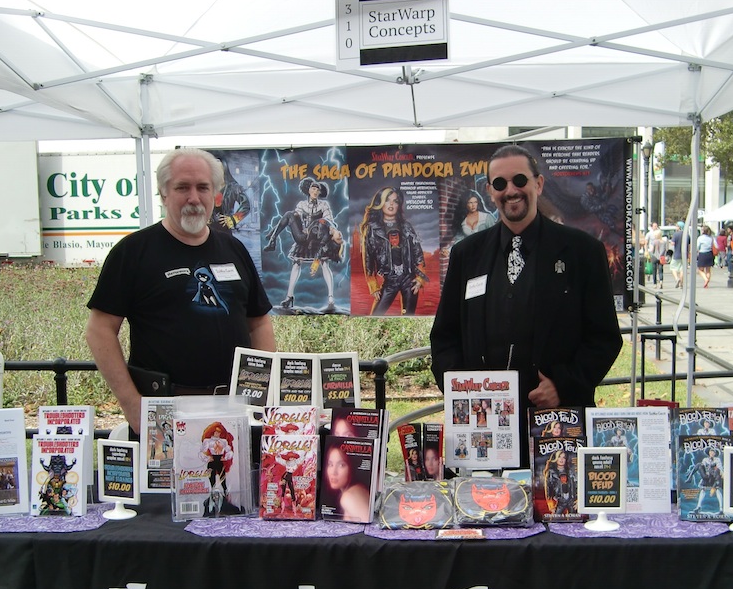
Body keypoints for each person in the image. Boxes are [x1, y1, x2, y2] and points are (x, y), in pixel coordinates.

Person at [430, 144, 623, 466]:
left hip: (555, 422)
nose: (511, 191)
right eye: (500, 184)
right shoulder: (467, 254)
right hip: (483, 425)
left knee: (555, 504)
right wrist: (461, 388)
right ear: (491, 192)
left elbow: (604, 337)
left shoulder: (582, 252)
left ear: (539, 184)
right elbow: (445, 337)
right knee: (483, 510)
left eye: (520, 180)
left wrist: (564, 384)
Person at [86, 148, 275, 435]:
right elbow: (99, 330)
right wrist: (132, 405)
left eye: (203, 188)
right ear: (163, 194)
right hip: (165, 411)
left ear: (216, 195)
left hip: (235, 409)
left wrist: (262, 392)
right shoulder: (133, 252)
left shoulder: (234, 249)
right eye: (182, 188)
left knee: (228, 480)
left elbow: (259, 322)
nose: (194, 198)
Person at [266, 178, 343, 313]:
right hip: (304, 237)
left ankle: (331, 298)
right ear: (308, 190)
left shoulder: (323, 205)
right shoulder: (302, 204)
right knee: (296, 263)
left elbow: (328, 221)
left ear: (320, 192)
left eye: (317, 189)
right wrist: (297, 218)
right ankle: (289, 297)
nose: (315, 191)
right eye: (313, 188)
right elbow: (297, 217)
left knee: (325, 264)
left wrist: (324, 227)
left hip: (319, 238)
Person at [359, 186, 429, 315]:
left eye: (395, 201)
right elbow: (368, 257)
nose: (391, 204)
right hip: (390, 280)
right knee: (376, 315)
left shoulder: (406, 226)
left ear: (399, 205)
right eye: (387, 200)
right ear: (380, 203)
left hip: (409, 279)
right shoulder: (372, 229)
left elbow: (418, 253)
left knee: (409, 317)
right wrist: (373, 284)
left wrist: (420, 279)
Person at [323, 443, 371, 522]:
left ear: (351, 467)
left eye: (341, 465)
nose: (333, 472)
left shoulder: (348, 496)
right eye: (330, 464)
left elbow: (369, 527)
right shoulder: (358, 488)